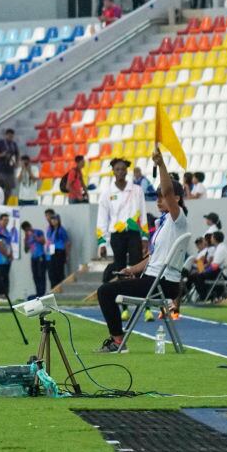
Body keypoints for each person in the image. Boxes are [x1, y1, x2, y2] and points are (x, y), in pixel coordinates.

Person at [95, 146, 187, 353]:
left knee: (104, 292)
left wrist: (161, 164)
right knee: (114, 283)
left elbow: (168, 191)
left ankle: (118, 341)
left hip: (161, 284)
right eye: (157, 197)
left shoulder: (178, 219)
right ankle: (118, 338)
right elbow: (153, 258)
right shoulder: (165, 223)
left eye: (161, 197)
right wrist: (132, 270)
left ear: (176, 200)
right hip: (156, 280)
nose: (158, 200)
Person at [96, 158, 148, 288]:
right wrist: (102, 242)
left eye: (123, 169)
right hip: (117, 235)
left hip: (134, 233)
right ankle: (123, 304)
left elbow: (143, 214)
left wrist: (145, 237)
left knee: (137, 265)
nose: (120, 171)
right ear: (113, 171)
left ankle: (140, 298)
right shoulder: (107, 194)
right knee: (120, 267)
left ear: (127, 171)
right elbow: (102, 219)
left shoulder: (137, 190)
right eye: (117, 169)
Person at [21, 220, 48, 297]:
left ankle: (42, 292)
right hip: (33, 258)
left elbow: (43, 241)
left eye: (27, 229)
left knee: (41, 274)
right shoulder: (27, 237)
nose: (27, 231)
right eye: (25, 230)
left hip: (40, 256)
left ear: (30, 226)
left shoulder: (38, 232)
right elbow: (26, 250)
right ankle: (38, 293)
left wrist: (34, 236)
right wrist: (25, 240)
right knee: (35, 275)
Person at [0, 129, 19, 199]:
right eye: (9, 136)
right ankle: (0, 201)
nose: (10, 138)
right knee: (0, 188)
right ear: (6, 135)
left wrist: (16, 163)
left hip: (10, 170)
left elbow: (17, 154)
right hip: (0, 170)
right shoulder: (0, 143)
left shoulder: (14, 144)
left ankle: (7, 202)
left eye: (12, 136)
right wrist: (2, 155)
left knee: (9, 189)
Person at [46, 212, 69, 289]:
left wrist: (66, 255)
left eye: (55, 220)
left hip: (59, 252)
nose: (53, 221)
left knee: (59, 272)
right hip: (52, 253)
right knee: (52, 272)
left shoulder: (61, 230)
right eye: (52, 220)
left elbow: (66, 242)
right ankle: (54, 288)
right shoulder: (51, 230)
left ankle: (60, 288)